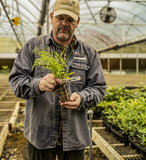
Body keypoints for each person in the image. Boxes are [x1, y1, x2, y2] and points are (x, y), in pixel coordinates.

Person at [9, 0, 106, 159]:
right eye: (60, 18)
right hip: (39, 135)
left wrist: (82, 98)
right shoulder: (33, 46)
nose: (64, 23)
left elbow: (99, 88)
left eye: (70, 20)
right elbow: (16, 82)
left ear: (77, 22)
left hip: (74, 137)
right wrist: (38, 84)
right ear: (52, 17)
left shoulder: (88, 53)